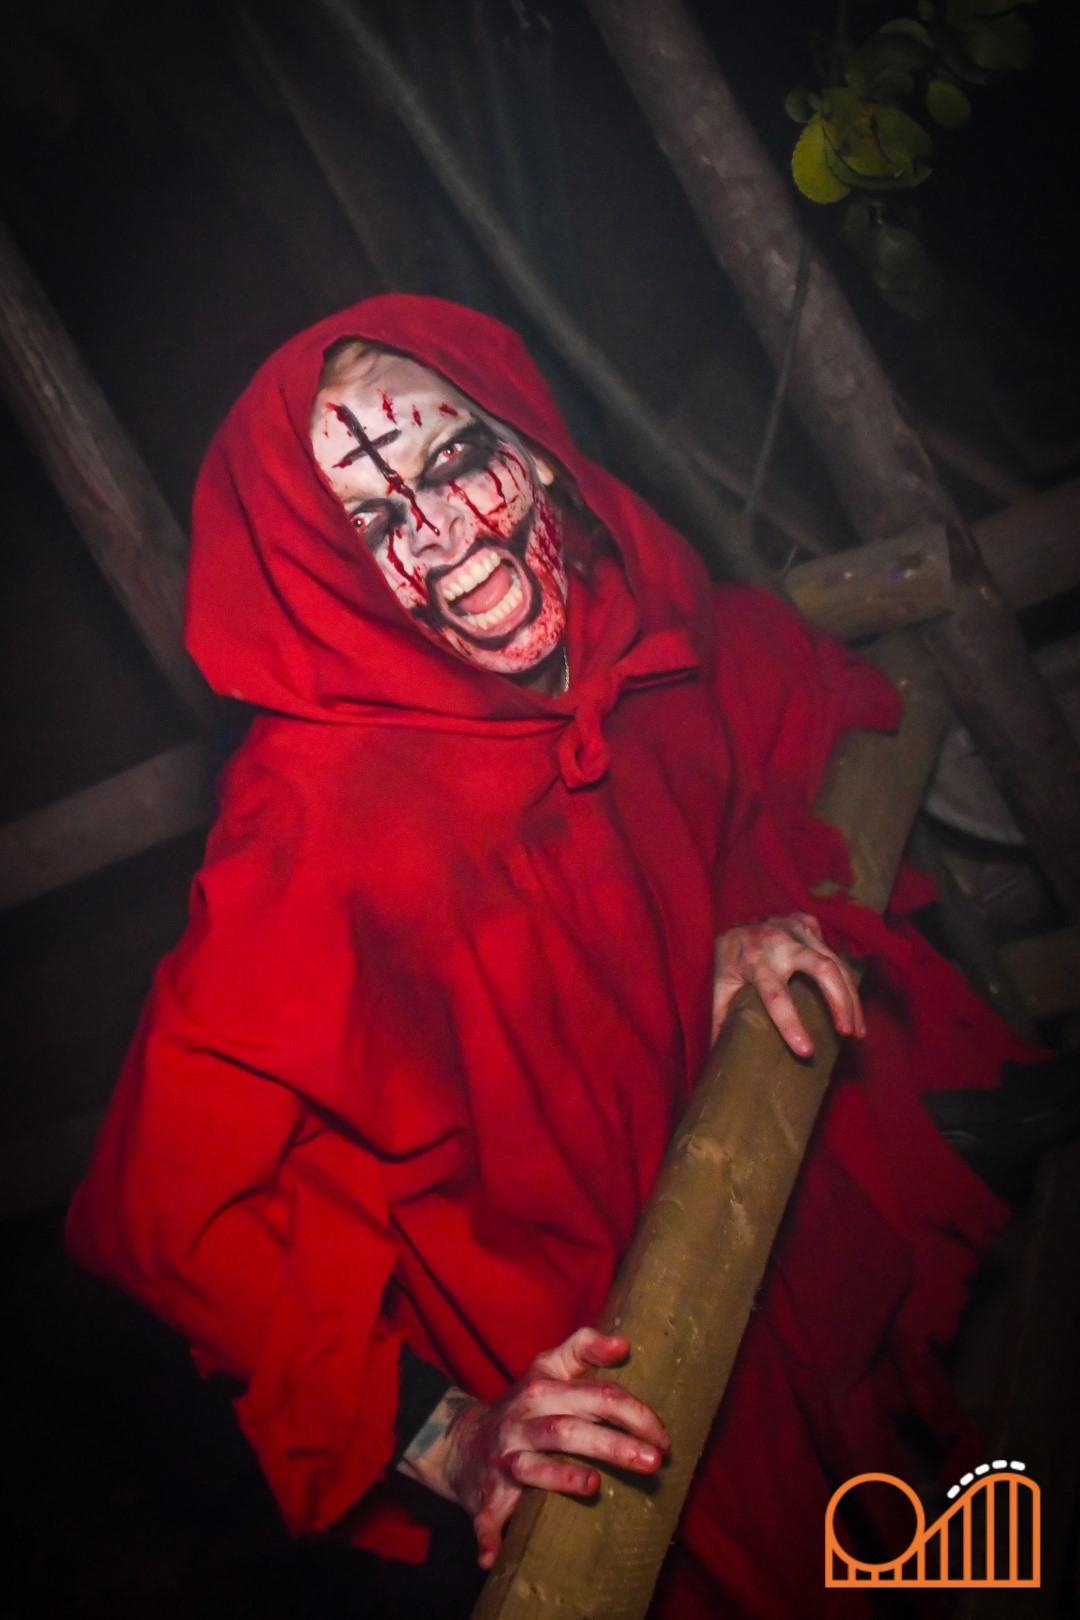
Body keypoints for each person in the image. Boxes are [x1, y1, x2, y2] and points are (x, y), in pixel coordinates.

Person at [67, 295, 1036, 1618]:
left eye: (457, 457)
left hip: (765, 1222)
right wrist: (449, 1434)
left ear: (526, 440)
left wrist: (740, 913)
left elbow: (732, 703)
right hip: (602, 1341)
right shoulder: (316, 817)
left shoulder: (611, 580)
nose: (446, 534)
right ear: (320, 570)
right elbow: (162, 1206)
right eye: (373, 522)